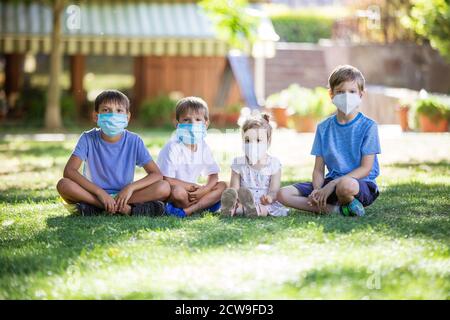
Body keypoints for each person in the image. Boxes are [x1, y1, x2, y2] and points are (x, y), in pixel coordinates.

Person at [277, 65, 381, 217]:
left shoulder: (368, 126)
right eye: (340, 92)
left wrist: (333, 184)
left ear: (361, 94)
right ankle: (335, 210)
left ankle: (346, 200)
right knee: (283, 194)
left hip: (359, 184)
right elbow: (318, 169)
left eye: (352, 91)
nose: (346, 96)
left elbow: (366, 168)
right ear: (331, 94)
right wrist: (317, 189)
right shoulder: (323, 128)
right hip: (329, 184)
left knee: (344, 186)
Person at [56, 90, 170, 216]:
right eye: (106, 110)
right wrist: (100, 193)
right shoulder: (87, 138)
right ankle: (123, 209)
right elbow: (69, 171)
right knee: (64, 185)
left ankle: (98, 208)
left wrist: (130, 188)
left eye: (119, 111)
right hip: (94, 194)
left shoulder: (134, 141)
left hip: (126, 195)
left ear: (127, 117)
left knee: (163, 187)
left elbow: (156, 174)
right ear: (96, 116)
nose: (112, 115)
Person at [157, 96, 227, 217]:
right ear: (177, 123)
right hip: (178, 190)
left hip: (196, 191)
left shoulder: (203, 146)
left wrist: (204, 190)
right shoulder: (173, 147)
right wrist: (191, 187)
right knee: (178, 192)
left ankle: (188, 211)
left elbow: (213, 174)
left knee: (224, 185)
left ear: (206, 123)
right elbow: (166, 179)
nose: (192, 124)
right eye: (186, 120)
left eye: (198, 119)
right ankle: (203, 206)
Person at [221, 113, 288, 217]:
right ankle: (234, 208)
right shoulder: (238, 163)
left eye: (258, 140)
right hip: (243, 200)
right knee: (237, 201)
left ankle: (245, 210)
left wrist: (269, 198)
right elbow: (234, 188)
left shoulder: (273, 164)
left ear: (268, 142)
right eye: (247, 140)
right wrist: (234, 197)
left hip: (264, 203)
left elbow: (274, 190)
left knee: (264, 209)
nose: (252, 145)